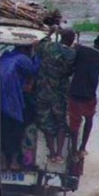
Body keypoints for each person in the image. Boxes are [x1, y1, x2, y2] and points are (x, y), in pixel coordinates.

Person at [34, 26, 76, 163]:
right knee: (61, 123)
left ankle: (51, 153)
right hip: (59, 95)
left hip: (43, 93)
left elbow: (38, 45)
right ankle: (59, 154)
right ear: (71, 41)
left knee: (46, 123)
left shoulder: (48, 47)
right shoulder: (72, 53)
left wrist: (50, 32)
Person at [0, 45, 39, 169]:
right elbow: (35, 70)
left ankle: (5, 161)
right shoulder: (22, 58)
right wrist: (38, 56)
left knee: (3, 131)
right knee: (16, 132)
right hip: (13, 103)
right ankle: (14, 161)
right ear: (26, 49)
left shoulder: (4, 57)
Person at [68, 34, 99, 159]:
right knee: (89, 119)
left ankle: (73, 149)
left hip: (75, 93)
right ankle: (82, 148)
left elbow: (71, 66)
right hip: (89, 95)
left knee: (74, 124)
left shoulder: (81, 50)